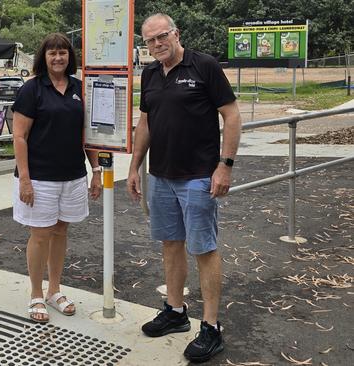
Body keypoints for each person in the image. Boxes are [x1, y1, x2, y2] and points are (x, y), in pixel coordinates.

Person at [127, 13, 242, 363]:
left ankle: (210, 327)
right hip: (161, 175)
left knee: (203, 248)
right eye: (150, 40)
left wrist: (225, 166)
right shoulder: (149, 74)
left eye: (163, 36)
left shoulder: (203, 66)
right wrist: (134, 167)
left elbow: (232, 115)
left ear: (176, 34)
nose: (158, 44)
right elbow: (145, 123)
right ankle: (175, 311)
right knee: (171, 245)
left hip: (198, 177)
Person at [12, 33, 102, 323]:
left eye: (62, 52)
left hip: (72, 175)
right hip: (39, 177)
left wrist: (96, 172)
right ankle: (36, 293)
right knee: (40, 234)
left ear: (69, 56)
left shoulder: (79, 88)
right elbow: (19, 136)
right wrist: (25, 179)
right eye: (52, 53)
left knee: (61, 231)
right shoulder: (32, 90)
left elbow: (88, 136)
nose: (58, 58)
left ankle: (54, 289)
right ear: (44, 57)